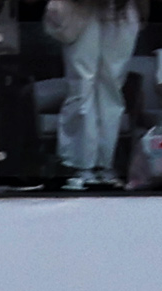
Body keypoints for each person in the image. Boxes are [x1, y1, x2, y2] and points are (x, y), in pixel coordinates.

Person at [41, 0, 133, 176]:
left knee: (111, 87)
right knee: (83, 84)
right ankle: (81, 164)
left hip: (123, 7)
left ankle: (104, 162)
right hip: (82, 7)